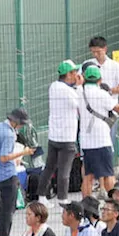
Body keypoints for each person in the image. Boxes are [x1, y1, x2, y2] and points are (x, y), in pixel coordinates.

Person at [78, 65, 119, 199]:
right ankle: (113, 203)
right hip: (102, 139)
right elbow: (117, 108)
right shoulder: (102, 94)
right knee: (108, 174)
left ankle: (86, 204)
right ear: (100, 79)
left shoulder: (79, 93)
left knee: (88, 176)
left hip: (86, 141)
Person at [39, 61, 84, 202]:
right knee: (64, 171)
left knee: (49, 168)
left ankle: (41, 196)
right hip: (67, 137)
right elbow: (80, 103)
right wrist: (80, 86)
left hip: (54, 136)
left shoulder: (53, 86)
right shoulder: (69, 91)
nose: (77, 74)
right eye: (74, 72)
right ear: (69, 74)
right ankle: (63, 199)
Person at [0, 108, 31, 236]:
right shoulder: (9, 134)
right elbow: (4, 157)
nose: (22, 126)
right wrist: (24, 152)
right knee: (9, 211)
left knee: (6, 209)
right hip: (8, 175)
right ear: (16, 122)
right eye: (22, 123)